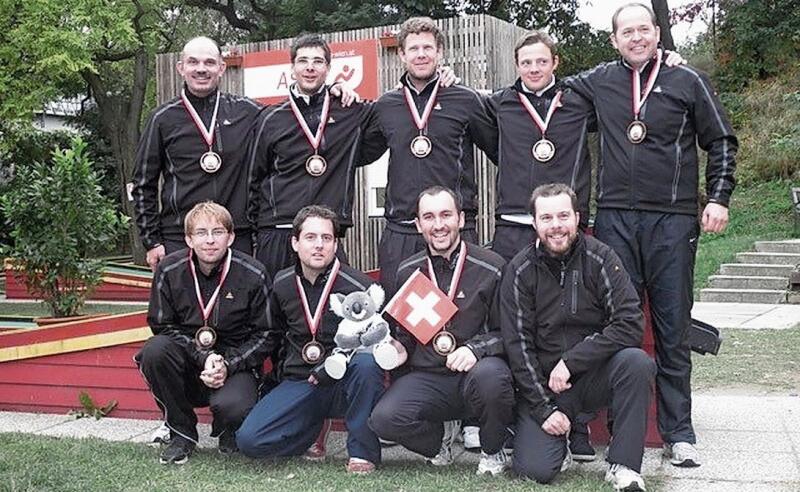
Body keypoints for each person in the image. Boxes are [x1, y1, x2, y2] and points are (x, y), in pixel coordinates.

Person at [563, 2, 738, 467]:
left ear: (657, 32)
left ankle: (679, 431)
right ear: (614, 39)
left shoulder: (687, 80)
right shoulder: (598, 80)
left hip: (673, 219)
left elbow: (720, 140)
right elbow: (541, 88)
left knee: (672, 323)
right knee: (619, 323)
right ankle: (625, 429)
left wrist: (718, 197)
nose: (636, 38)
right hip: (616, 218)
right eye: (627, 32)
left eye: (644, 29)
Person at [500, 183, 655, 490]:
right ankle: (559, 447)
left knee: (636, 363)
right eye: (546, 218)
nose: (556, 226)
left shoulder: (602, 258)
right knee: (536, 470)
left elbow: (629, 322)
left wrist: (572, 361)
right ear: (534, 223)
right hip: (546, 386)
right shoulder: (519, 271)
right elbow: (518, 347)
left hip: (594, 374)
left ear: (577, 217)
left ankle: (623, 465)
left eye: (563, 216)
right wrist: (544, 409)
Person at [369, 186, 514, 476]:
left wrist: (476, 349)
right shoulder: (407, 272)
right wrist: (397, 349)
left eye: (446, 215)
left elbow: (509, 333)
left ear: (461, 219)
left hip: (477, 374)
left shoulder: (492, 267)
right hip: (430, 378)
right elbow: (406, 336)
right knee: (384, 419)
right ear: (418, 225)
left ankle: (492, 450)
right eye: (429, 217)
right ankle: (439, 444)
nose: (438, 225)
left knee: (492, 378)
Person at [236, 205, 386, 474]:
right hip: (302, 381)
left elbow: (373, 340)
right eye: (310, 237)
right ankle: (310, 429)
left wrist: (330, 365)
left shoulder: (357, 286)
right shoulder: (281, 284)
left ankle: (362, 452)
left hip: (345, 381)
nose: (319, 246)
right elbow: (272, 335)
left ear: (335, 243)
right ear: (295, 242)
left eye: (326, 238)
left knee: (366, 363)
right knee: (249, 441)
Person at [363, 17, 499, 293]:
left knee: (462, 318)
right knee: (400, 318)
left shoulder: (465, 99)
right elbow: (358, 153)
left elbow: (501, 151)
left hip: (454, 230)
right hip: (402, 231)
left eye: (427, 47)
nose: (421, 54)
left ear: (439, 52)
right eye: (413, 49)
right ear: (401, 54)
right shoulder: (386, 106)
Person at [135, 201, 271, 465]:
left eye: (218, 232)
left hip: (234, 363)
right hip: (188, 361)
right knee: (154, 350)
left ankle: (227, 427)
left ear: (231, 237)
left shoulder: (254, 273)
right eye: (201, 233)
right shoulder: (169, 270)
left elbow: (266, 334)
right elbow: (162, 325)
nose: (210, 240)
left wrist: (228, 364)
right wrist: (202, 355)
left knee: (234, 407)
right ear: (188, 238)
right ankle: (181, 433)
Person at [247, 34, 383, 279]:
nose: (310, 67)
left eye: (318, 61)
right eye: (303, 61)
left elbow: (393, 109)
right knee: (273, 312)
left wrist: (443, 77)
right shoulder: (270, 118)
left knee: (330, 310)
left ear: (328, 69)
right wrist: (256, 235)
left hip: (325, 234)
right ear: (292, 68)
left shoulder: (350, 111)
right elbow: (253, 179)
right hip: (279, 232)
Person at [133, 37, 261, 269]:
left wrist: (333, 93)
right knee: (182, 305)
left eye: (209, 63)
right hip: (179, 236)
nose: (201, 69)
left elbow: (289, 117)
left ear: (221, 68)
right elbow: (143, 184)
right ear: (181, 68)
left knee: (239, 305)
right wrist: (151, 241)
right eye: (193, 62)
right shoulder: (162, 119)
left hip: (235, 236)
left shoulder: (248, 112)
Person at [486, 30, 593, 263]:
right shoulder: (500, 103)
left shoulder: (580, 102)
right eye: (526, 62)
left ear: (555, 62)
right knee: (511, 296)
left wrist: (664, 61)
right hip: (513, 223)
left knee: (566, 297)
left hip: (563, 224)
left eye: (542, 61)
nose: (534, 69)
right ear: (517, 65)